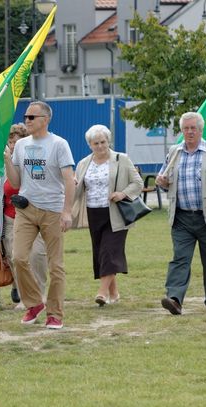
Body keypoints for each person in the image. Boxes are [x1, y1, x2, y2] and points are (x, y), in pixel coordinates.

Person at [155, 112, 206, 315]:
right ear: (181, 131)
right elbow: (165, 179)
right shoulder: (174, 152)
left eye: (193, 128)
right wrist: (163, 183)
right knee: (180, 258)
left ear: (200, 130)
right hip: (181, 217)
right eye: (186, 128)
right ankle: (174, 299)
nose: (189, 132)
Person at [4, 101, 75, 329]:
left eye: (32, 117)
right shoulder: (22, 145)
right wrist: (7, 159)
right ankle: (34, 304)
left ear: (45, 120)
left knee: (55, 266)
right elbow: (15, 182)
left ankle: (55, 314)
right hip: (26, 209)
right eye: (26, 117)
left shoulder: (59, 144)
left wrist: (66, 211)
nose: (27, 120)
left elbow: (68, 180)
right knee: (19, 258)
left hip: (52, 210)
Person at [72, 125, 143, 306]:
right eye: (96, 143)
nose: (100, 146)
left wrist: (122, 194)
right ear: (90, 144)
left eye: (103, 142)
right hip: (93, 212)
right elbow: (77, 188)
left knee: (109, 252)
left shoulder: (122, 159)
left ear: (108, 141)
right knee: (100, 252)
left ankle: (102, 294)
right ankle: (115, 293)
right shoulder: (83, 163)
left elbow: (137, 183)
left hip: (116, 212)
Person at [0, 124, 48, 309]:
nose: (13, 145)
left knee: (36, 254)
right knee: (15, 258)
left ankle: (40, 294)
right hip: (10, 217)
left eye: (16, 141)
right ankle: (23, 295)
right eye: (10, 141)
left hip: (33, 215)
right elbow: (2, 189)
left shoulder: (33, 158)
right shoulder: (4, 161)